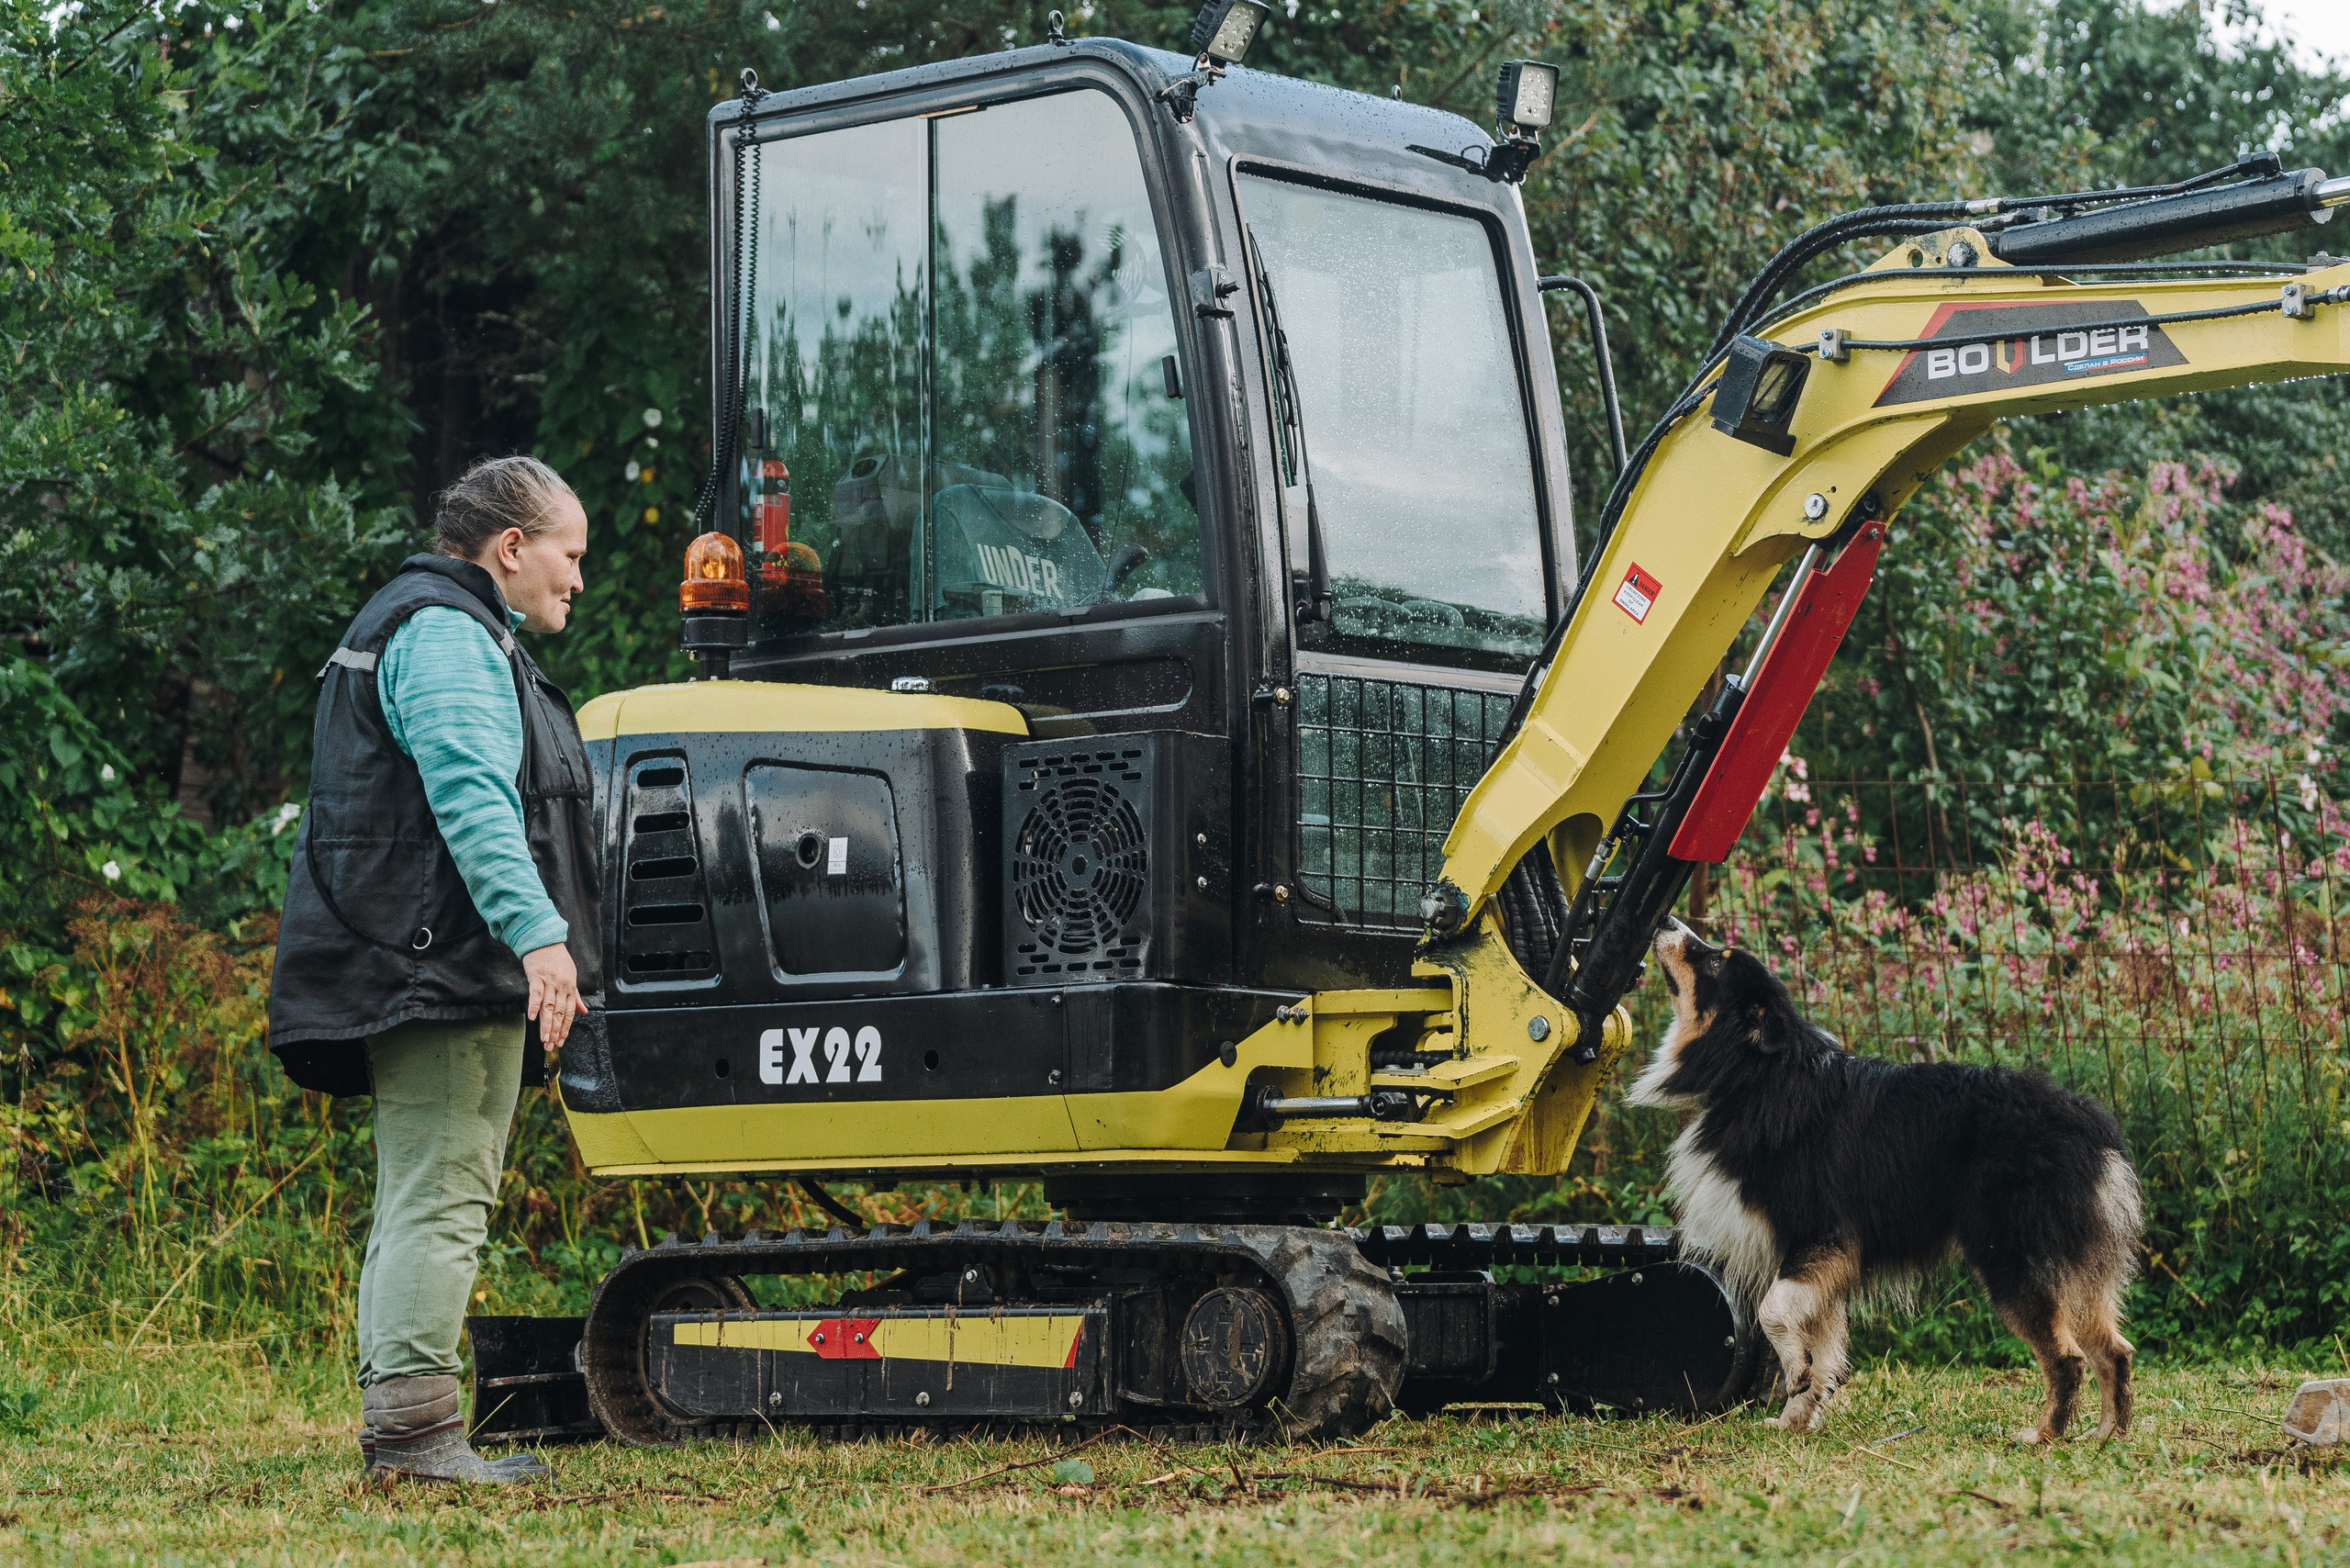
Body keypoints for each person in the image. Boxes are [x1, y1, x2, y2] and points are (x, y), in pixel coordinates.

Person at [268, 455, 600, 1484]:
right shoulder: (448, 635)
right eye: (569, 554)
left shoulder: (432, 625)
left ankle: (403, 1427)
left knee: (421, 1191)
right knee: (444, 1194)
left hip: (420, 959)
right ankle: (416, 1440)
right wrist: (541, 938)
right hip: (442, 968)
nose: (577, 579)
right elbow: (472, 798)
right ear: (512, 546)